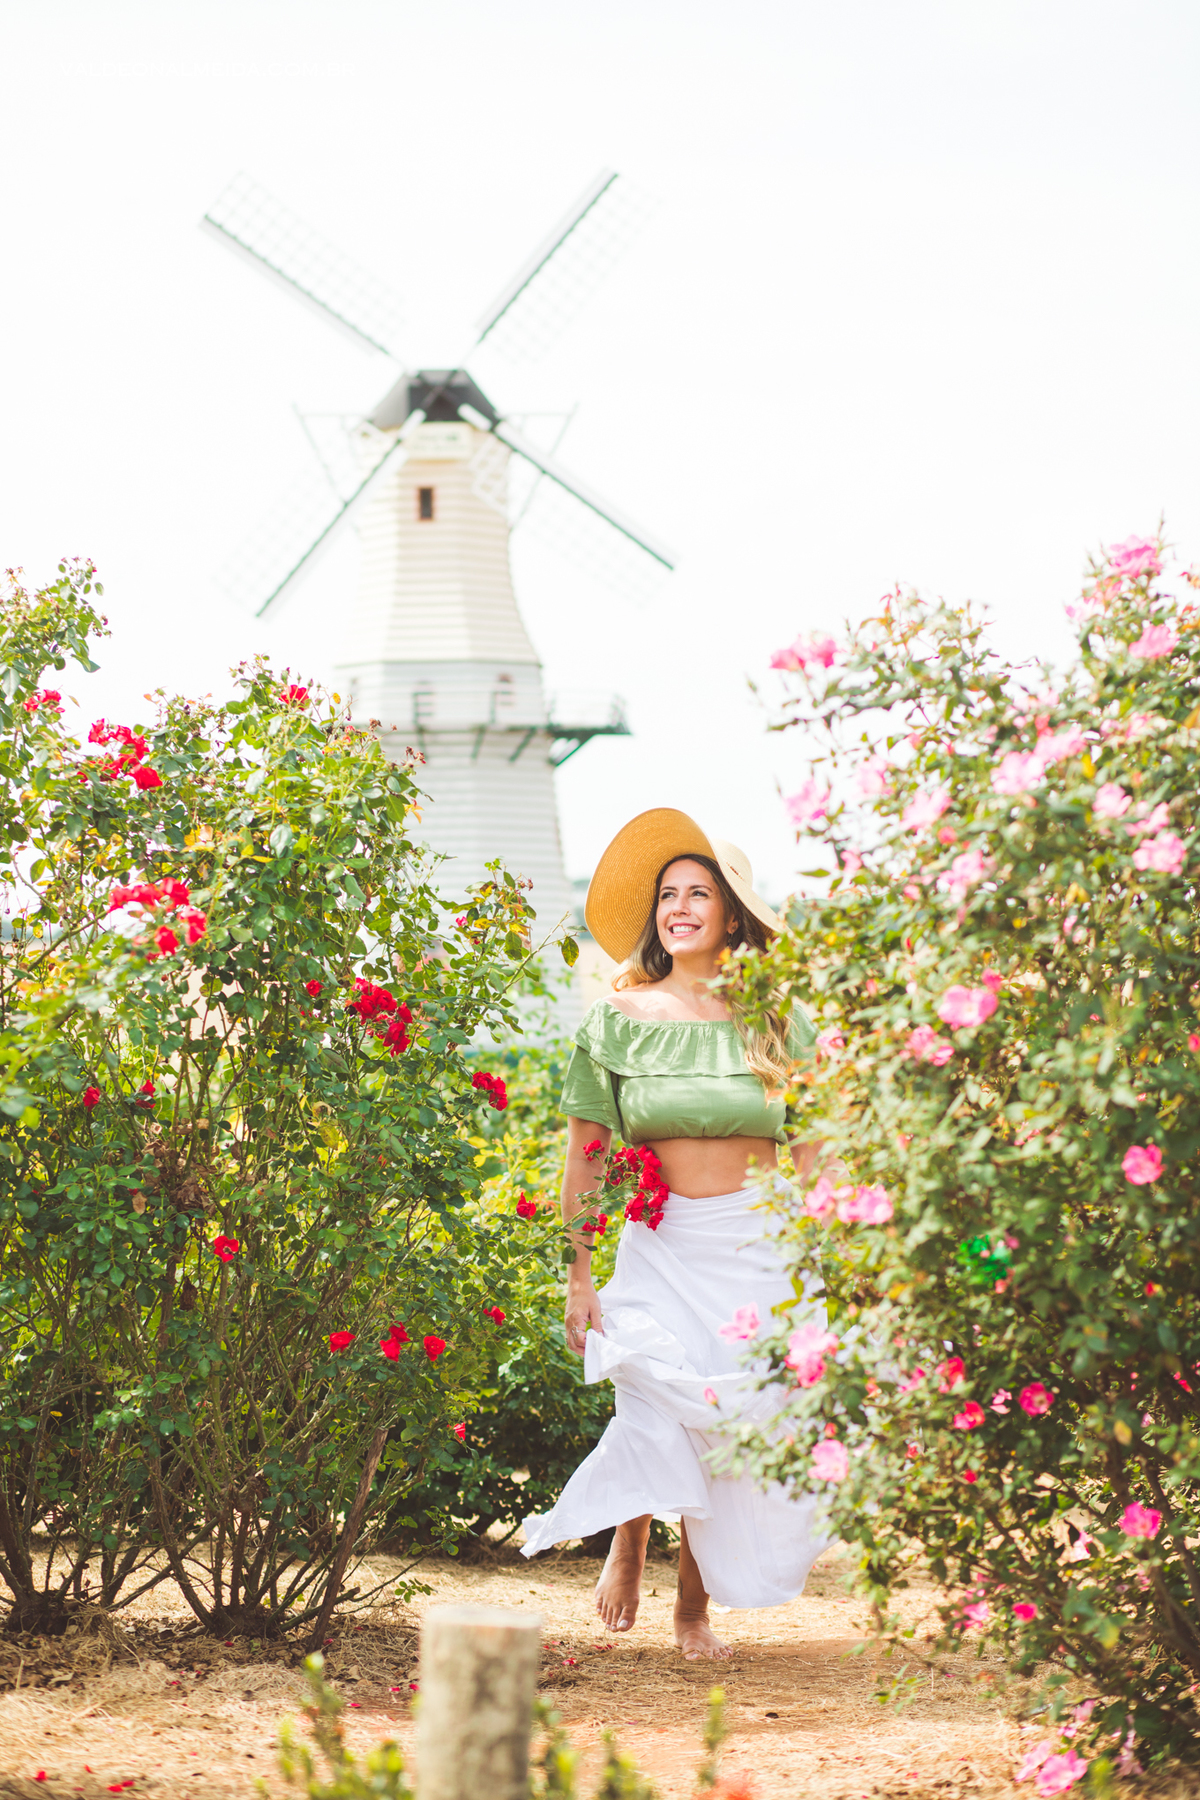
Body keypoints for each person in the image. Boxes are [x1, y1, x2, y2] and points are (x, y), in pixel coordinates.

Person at [520, 808, 841, 1660]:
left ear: (733, 915)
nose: (681, 905)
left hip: (760, 1245)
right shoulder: (616, 1018)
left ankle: (691, 1608)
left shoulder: (775, 1018)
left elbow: (813, 1151)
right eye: (669, 894)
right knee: (657, 1390)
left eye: (700, 892)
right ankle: (628, 1544)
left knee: (727, 1418)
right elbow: (586, 1156)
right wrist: (579, 1274)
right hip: (661, 1239)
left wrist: (845, 1254)